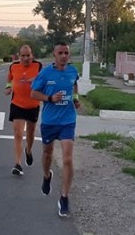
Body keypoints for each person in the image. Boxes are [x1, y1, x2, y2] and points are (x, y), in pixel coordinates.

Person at [30, 41, 81, 217]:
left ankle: (64, 198)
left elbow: (74, 85)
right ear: (54, 55)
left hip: (68, 121)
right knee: (47, 154)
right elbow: (34, 94)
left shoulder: (73, 71)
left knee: (67, 159)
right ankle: (46, 175)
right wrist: (50, 98)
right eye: (60, 53)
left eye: (66, 53)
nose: (64, 56)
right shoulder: (45, 73)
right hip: (50, 121)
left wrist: (75, 98)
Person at [5, 45, 42, 176]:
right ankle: (18, 164)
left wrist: (37, 81)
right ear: (19, 56)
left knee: (30, 133)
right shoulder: (13, 67)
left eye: (28, 55)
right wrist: (8, 88)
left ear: (32, 55)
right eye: (23, 56)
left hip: (33, 105)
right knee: (18, 133)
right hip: (17, 104)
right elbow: (9, 79)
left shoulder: (38, 66)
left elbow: (46, 81)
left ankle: (29, 150)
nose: (26, 58)